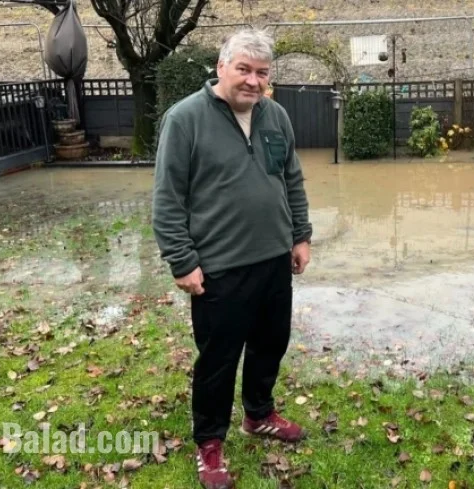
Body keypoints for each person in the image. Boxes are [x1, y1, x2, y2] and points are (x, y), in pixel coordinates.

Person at [152, 28, 312, 489]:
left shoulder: (275, 116)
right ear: (221, 67)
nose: (253, 81)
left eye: (262, 73)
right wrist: (181, 261)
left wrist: (300, 236)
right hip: (219, 267)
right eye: (244, 69)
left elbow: (292, 180)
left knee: (270, 345)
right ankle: (210, 443)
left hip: (273, 261)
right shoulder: (185, 119)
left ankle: (258, 414)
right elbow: (167, 199)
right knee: (219, 360)